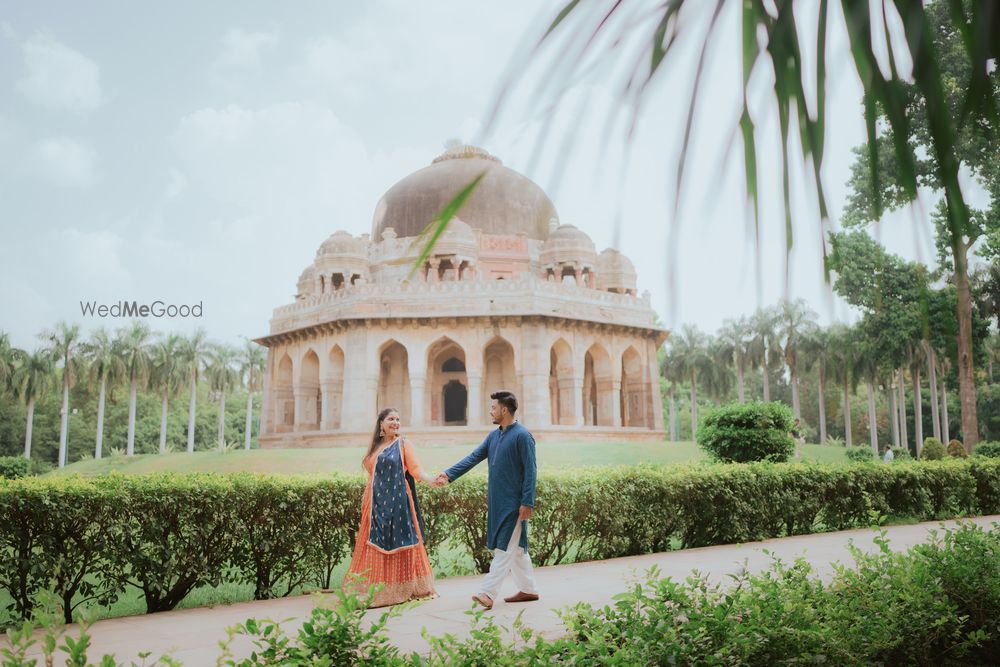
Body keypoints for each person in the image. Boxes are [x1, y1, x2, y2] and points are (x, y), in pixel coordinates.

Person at [436, 390, 539, 611]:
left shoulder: (523, 436)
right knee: (517, 550)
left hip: (513, 504)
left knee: (504, 547)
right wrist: (449, 474)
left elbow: (531, 471)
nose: (490, 411)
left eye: (493, 408)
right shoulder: (494, 436)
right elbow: (474, 457)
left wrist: (527, 502)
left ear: (504, 409)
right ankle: (528, 589)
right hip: (497, 502)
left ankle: (488, 593)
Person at [343, 407, 441, 608]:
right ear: (381, 424)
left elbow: (415, 469)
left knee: (397, 540)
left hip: (397, 502)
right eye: (391, 419)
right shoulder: (375, 447)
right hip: (374, 503)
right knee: (374, 543)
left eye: (398, 419)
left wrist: (431, 479)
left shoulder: (403, 444)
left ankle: (402, 588)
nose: (395, 422)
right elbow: (372, 475)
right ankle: (375, 588)